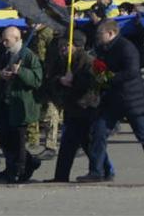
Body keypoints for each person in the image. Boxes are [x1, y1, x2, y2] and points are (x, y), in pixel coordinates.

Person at [91, 18, 144, 181]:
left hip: (132, 99)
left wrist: (109, 78)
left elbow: (132, 71)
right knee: (99, 131)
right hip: (113, 100)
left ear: (111, 33)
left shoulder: (126, 47)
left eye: (100, 33)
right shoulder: (103, 48)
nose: (98, 36)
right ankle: (97, 171)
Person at [0, 25, 43, 182]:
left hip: (20, 105)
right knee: (5, 139)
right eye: (3, 40)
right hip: (4, 102)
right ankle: (23, 163)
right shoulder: (3, 53)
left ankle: (19, 170)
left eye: (7, 40)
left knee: (18, 141)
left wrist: (20, 72)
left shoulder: (28, 55)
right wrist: (1, 74)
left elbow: (37, 80)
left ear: (17, 39)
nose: (4, 43)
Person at [51, 33, 101, 183]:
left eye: (66, 45)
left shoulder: (88, 60)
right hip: (72, 107)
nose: (62, 48)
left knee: (86, 143)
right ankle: (61, 176)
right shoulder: (65, 61)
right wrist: (61, 80)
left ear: (75, 45)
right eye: (61, 46)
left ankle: (103, 170)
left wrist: (74, 80)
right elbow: (52, 77)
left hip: (86, 107)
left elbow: (94, 83)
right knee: (71, 144)